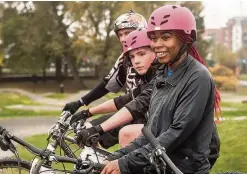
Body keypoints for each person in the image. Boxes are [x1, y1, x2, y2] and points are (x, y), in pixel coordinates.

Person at [100, 5, 221, 174]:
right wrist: (116, 156)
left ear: (185, 39)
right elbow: (151, 132)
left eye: (165, 37)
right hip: (160, 162)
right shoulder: (163, 74)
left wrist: (125, 163)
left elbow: (177, 133)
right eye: (153, 38)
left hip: (183, 168)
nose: (157, 45)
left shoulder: (198, 77)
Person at [62, 10, 148, 149]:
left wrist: (88, 112)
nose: (122, 39)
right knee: (88, 132)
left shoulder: (153, 61)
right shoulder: (125, 58)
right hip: (130, 110)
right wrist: (81, 102)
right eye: (120, 35)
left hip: (144, 116)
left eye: (127, 33)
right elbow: (107, 84)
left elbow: (133, 98)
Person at [73, 28, 159, 148]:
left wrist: (99, 128)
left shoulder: (161, 75)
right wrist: (87, 112)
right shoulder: (144, 78)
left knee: (125, 135)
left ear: (156, 52)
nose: (136, 61)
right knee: (89, 130)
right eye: (132, 57)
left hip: (162, 128)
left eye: (141, 54)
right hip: (144, 120)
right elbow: (126, 99)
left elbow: (138, 104)